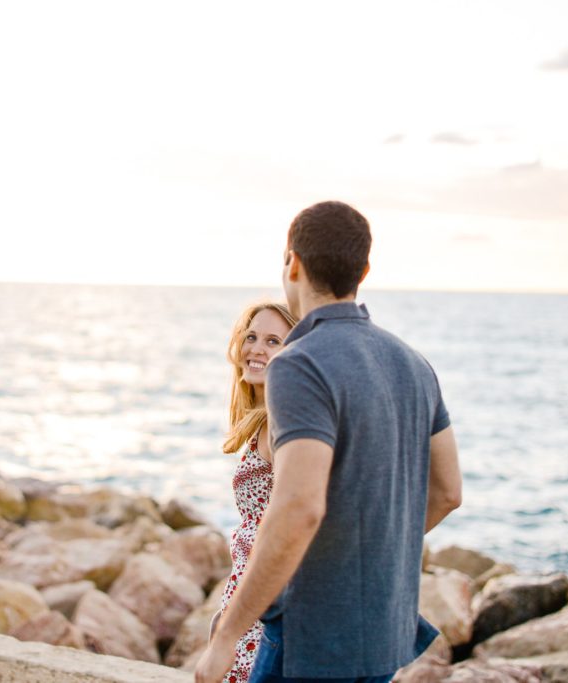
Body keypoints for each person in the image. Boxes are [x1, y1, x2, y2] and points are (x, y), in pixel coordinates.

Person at [196, 201, 462, 683]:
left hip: (308, 636)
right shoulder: (415, 365)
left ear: (292, 262)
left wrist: (227, 636)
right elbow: (448, 493)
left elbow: (299, 507)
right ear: (363, 270)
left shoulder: (298, 363)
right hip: (382, 631)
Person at [216, 302, 299, 683]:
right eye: (251, 337)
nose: (256, 349)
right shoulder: (266, 419)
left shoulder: (282, 423)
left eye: (273, 341)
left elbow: (293, 521)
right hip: (249, 600)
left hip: (266, 608)